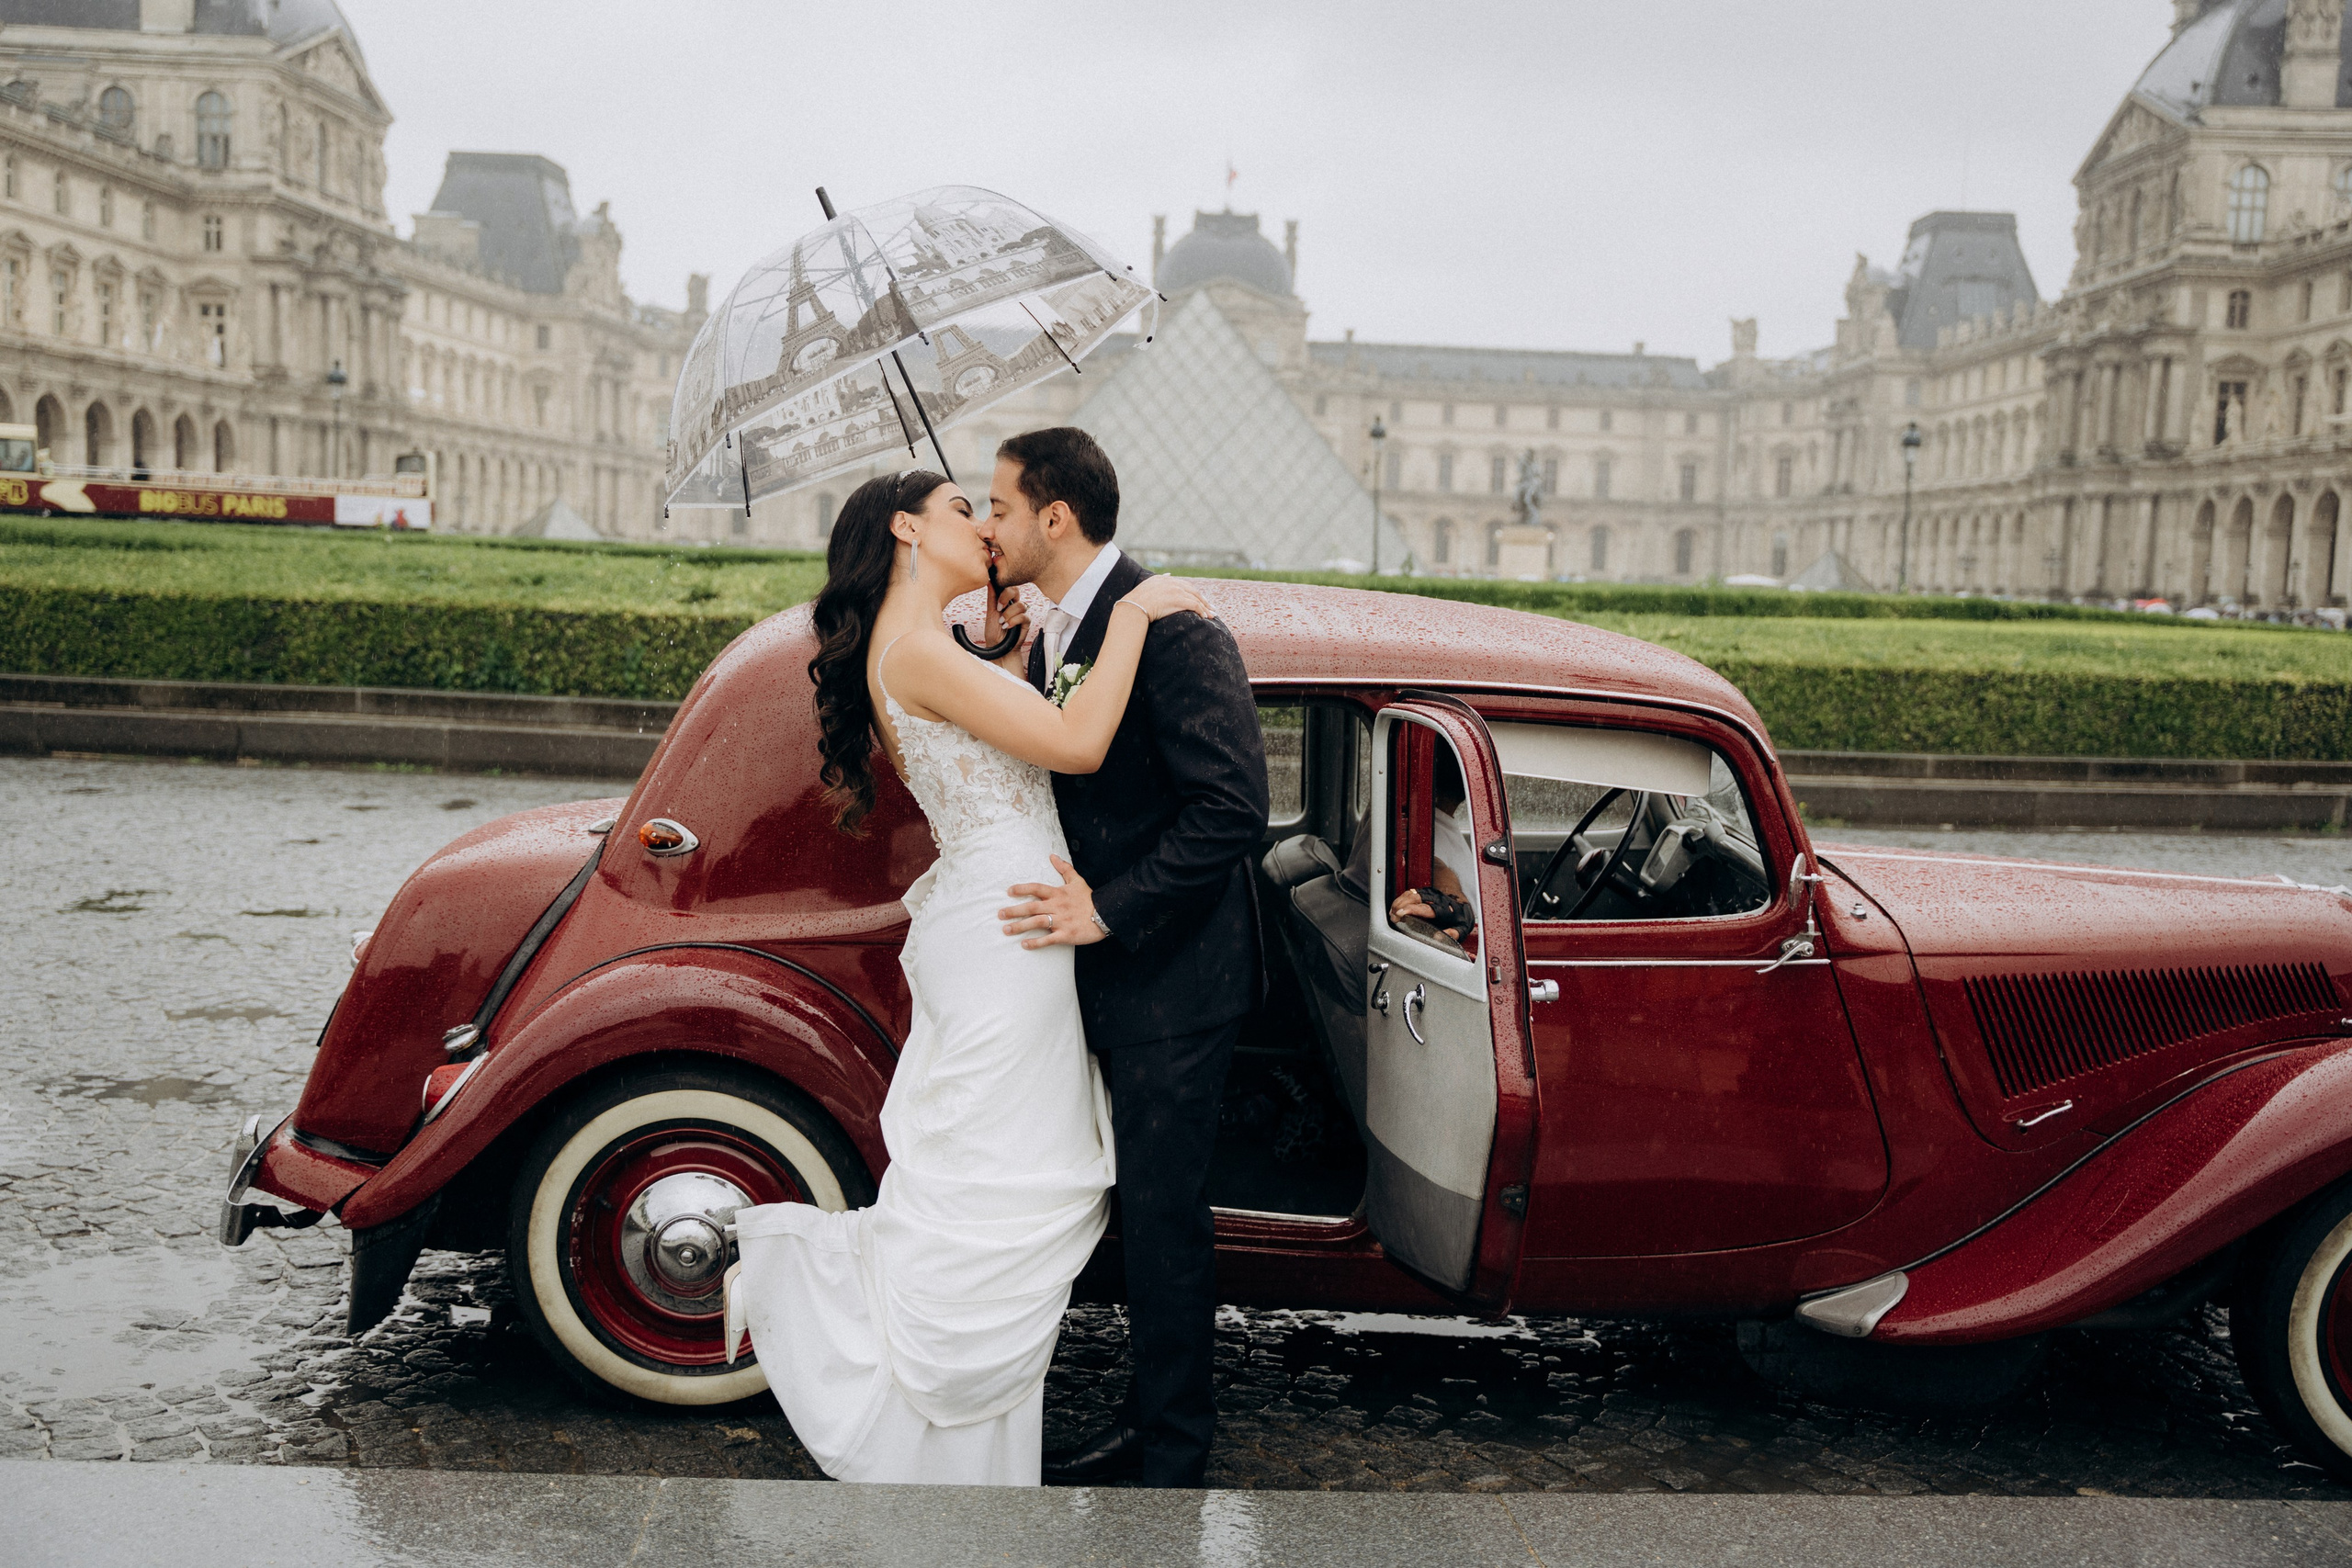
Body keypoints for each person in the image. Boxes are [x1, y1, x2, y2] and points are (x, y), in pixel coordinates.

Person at [722, 467, 1208, 1487]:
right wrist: (1133, 616)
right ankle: (845, 1333)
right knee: (1002, 1185)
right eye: (961, 509)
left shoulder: (930, 649)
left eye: (992, 510)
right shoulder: (916, 652)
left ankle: (967, 1449)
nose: (985, 526)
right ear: (905, 529)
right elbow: (1074, 748)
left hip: (1003, 915)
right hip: (1006, 930)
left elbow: (1006, 747)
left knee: (995, 1175)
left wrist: (1011, 657)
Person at [978, 427, 1272, 1489]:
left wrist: (1109, 910)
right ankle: (1149, 1426)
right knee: (1125, 1215)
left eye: (999, 507)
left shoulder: (1175, 627)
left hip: (1176, 978)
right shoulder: (1056, 628)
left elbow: (1235, 808)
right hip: (1101, 975)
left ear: (1055, 517)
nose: (986, 526)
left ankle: (1174, 1456)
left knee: (1161, 1220)